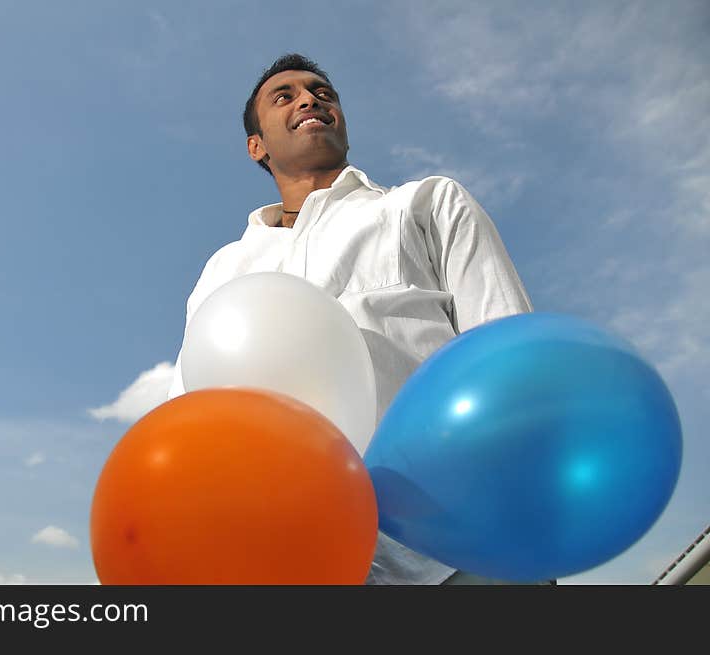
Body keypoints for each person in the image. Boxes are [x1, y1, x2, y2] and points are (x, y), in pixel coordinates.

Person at [168, 53, 546, 585]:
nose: (309, 99)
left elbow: (511, 359)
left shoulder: (427, 204)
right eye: (285, 96)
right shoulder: (224, 269)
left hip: (461, 551)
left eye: (322, 92)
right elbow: (186, 410)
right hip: (289, 563)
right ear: (257, 146)